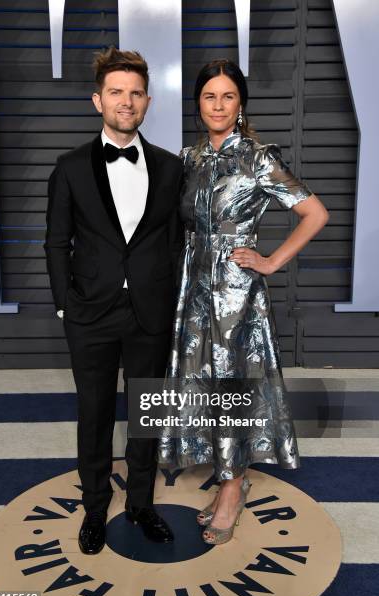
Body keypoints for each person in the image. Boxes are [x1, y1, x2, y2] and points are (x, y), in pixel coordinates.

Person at [158, 59, 329, 545]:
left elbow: (314, 213)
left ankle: (232, 488)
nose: (218, 105)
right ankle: (230, 473)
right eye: (209, 96)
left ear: (240, 105)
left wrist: (271, 261)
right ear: (198, 104)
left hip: (236, 292)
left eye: (227, 96)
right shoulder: (188, 159)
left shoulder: (258, 158)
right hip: (192, 290)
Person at [44, 47, 183, 554]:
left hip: (150, 312)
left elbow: (173, 242)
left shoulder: (170, 168)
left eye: (136, 93)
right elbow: (57, 241)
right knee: (95, 413)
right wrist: (66, 305)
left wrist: (167, 300)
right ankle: (96, 509)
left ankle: (142, 504)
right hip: (90, 314)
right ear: (97, 100)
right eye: (117, 93)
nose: (127, 102)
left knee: (147, 414)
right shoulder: (71, 167)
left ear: (148, 101)